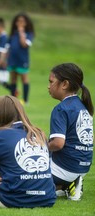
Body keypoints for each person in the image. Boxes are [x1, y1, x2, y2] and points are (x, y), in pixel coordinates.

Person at [48, 63, 93, 201]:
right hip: (83, 167)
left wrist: (40, 146)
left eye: (51, 82)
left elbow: (58, 143)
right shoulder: (83, 107)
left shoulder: (61, 109)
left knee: (25, 175)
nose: (48, 86)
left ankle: (67, 183)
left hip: (65, 168)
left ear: (65, 84)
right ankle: (69, 184)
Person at [7, 13, 34, 104]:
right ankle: (13, 100)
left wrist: (21, 31)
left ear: (26, 23)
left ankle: (26, 100)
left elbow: (24, 44)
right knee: (13, 80)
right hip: (12, 60)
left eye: (22, 21)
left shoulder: (29, 34)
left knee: (24, 79)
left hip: (22, 60)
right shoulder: (12, 34)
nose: (20, 23)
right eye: (18, 21)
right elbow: (8, 47)